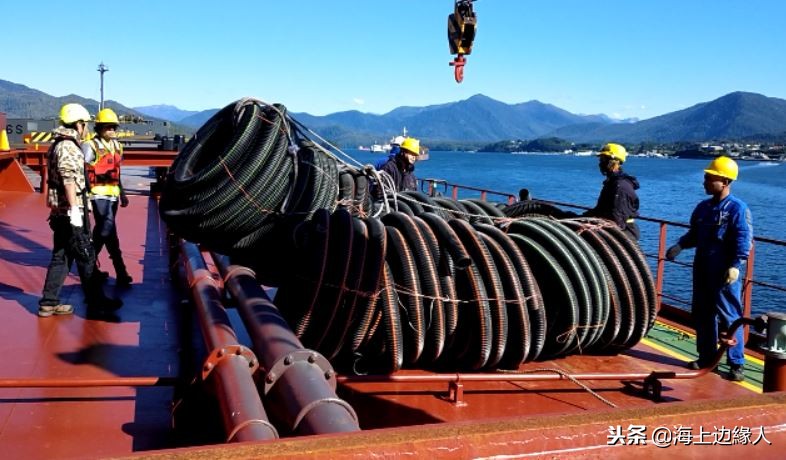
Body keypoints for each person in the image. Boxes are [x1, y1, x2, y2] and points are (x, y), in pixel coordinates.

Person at [665, 156, 752, 382]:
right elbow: (695, 234)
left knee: (729, 316)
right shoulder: (703, 208)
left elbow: (743, 239)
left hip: (723, 272)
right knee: (702, 314)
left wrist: (736, 265)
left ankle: (736, 363)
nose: (704, 181)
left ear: (725, 181)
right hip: (702, 268)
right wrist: (680, 245)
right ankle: (707, 357)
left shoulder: (737, 209)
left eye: (710, 178)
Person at [38, 103, 122, 317]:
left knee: (62, 255)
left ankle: (49, 302)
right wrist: (75, 209)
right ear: (78, 124)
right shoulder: (68, 146)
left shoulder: (58, 144)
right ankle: (97, 302)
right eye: (85, 124)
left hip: (60, 211)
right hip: (71, 212)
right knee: (86, 255)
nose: (86, 128)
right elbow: (68, 178)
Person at [82, 108, 132, 285]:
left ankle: (120, 273)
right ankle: (89, 266)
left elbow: (116, 172)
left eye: (113, 127)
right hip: (98, 195)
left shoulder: (117, 146)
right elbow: (83, 170)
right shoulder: (90, 146)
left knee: (110, 233)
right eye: (107, 127)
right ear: (99, 128)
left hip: (113, 196)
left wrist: (123, 194)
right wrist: (87, 194)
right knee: (105, 229)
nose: (111, 130)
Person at [584, 143, 640, 240]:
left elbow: (617, 221)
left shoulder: (620, 187)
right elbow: (599, 210)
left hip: (624, 235)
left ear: (614, 162)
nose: (600, 163)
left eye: (603, 159)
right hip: (611, 228)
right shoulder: (612, 183)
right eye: (601, 160)